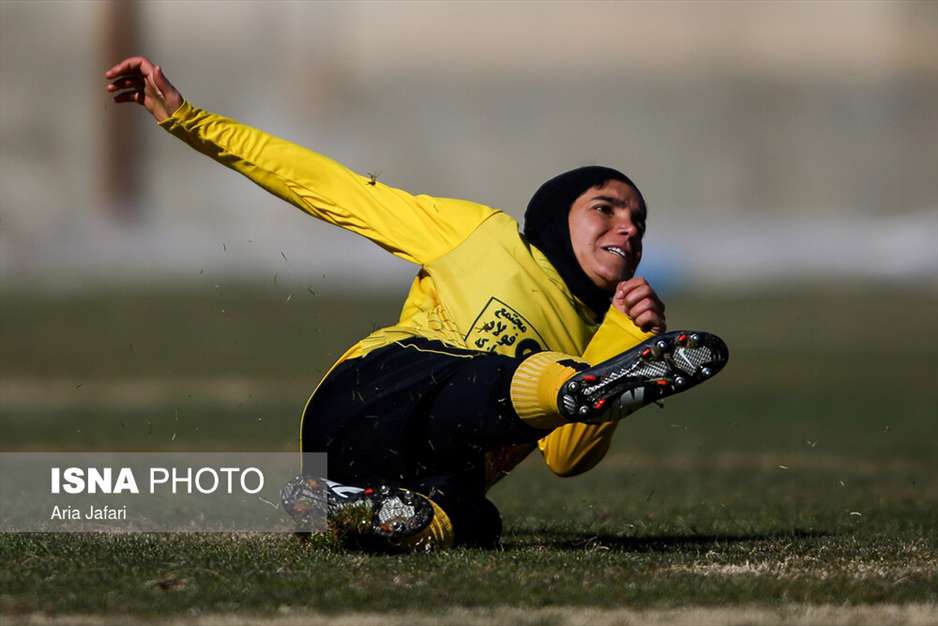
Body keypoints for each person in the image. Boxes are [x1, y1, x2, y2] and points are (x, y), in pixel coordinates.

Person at [105, 57, 728, 552]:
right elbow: (331, 188)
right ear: (553, 213)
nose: (629, 229)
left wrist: (621, 337)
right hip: (369, 396)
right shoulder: (481, 233)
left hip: (405, 466)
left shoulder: (596, 332)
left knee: (475, 521)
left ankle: (338, 513)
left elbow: (567, 459)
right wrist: (193, 121)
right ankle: (570, 392)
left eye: (639, 222)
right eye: (606, 209)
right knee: (484, 377)